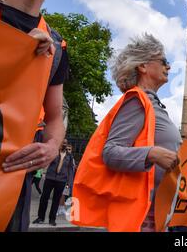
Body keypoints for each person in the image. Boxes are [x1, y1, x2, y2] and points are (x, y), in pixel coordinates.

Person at [72, 34, 180, 232]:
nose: (169, 67)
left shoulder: (151, 103)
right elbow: (110, 152)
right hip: (138, 216)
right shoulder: (136, 101)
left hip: (154, 211)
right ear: (143, 66)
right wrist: (151, 153)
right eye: (164, 61)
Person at [0, 0, 71, 232]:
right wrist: (15, 51)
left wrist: (52, 146)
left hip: (11, 187)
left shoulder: (56, 46)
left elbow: (55, 117)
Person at [32, 139, 75, 226]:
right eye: (62, 142)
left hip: (61, 181)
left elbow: (70, 170)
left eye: (65, 143)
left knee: (56, 201)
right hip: (50, 178)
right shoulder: (54, 153)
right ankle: (40, 218)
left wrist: (69, 183)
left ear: (67, 145)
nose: (64, 144)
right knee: (44, 198)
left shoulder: (69, 156)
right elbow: (46, 161)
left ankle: (52, 219)